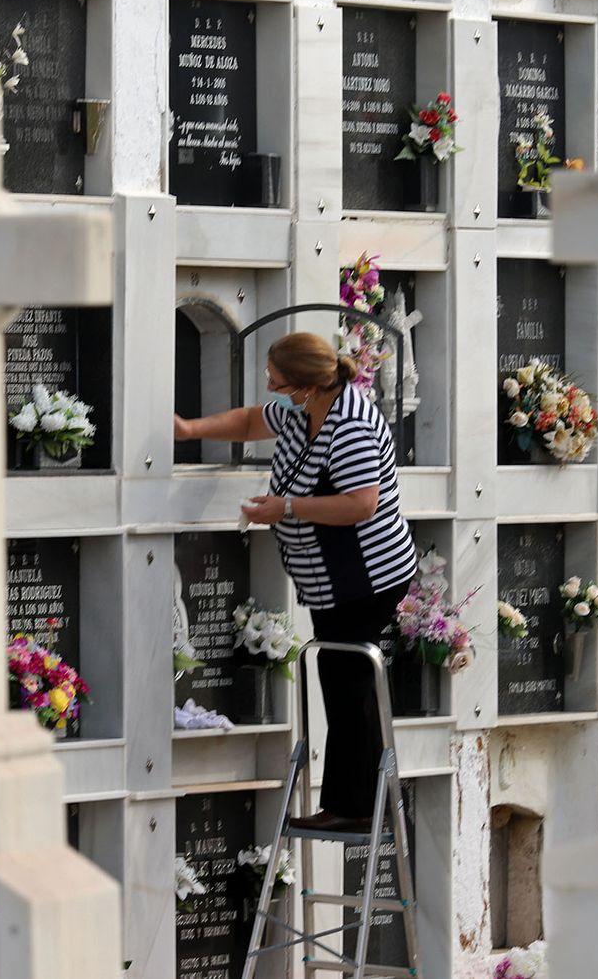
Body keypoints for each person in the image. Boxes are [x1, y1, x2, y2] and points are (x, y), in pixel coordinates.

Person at [174, 331, 416, 832]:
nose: (272, 387)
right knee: (342, 680)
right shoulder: (305, 409)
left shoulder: (349, 424)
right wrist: (188, 428)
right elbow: (249, 420)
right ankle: (362, 807)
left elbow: (360, 504)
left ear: (307, 384)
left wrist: (285, 507)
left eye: (279, 381)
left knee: (349, 682)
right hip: (333, 579)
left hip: (368, 574)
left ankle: (364, 810)